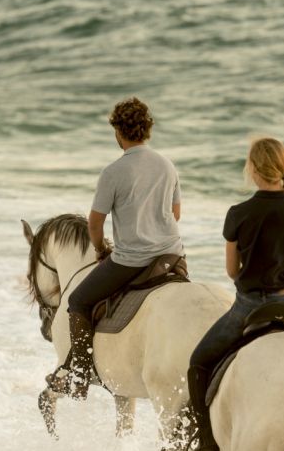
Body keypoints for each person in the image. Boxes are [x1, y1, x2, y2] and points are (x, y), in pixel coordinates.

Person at [184, 136, 284, 451]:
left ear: (252, 169)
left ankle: (205, 441)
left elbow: (232, 270)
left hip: (248, 305)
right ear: (283, 168)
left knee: (199, 362)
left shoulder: (238, 213)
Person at [49, 97, 184, 400]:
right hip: (173, 257)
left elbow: (95, 224)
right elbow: (175, 213)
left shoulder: (113, 172)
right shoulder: (166, 165)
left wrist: (100, 250)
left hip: (132, 261)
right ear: (147, 130)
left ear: (118, 132)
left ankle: (80, 375)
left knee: (80, 301)